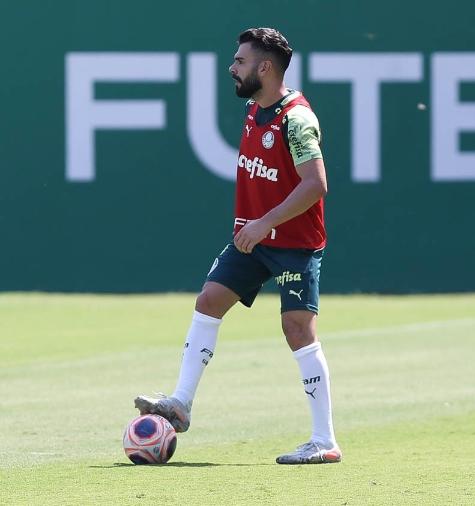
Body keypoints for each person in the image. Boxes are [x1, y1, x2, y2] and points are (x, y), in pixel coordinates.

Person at [134, 27, 340, 465]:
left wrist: (265, 222)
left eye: (241, 61)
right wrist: (257, 227)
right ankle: (181, 402)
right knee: (209, 299)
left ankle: (324, 440)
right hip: (253, 239)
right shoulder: (254, 108)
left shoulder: (297, 119)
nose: (233, 67)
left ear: (265, 68)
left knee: (297, 329)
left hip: (292, 243)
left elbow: (316, 184)